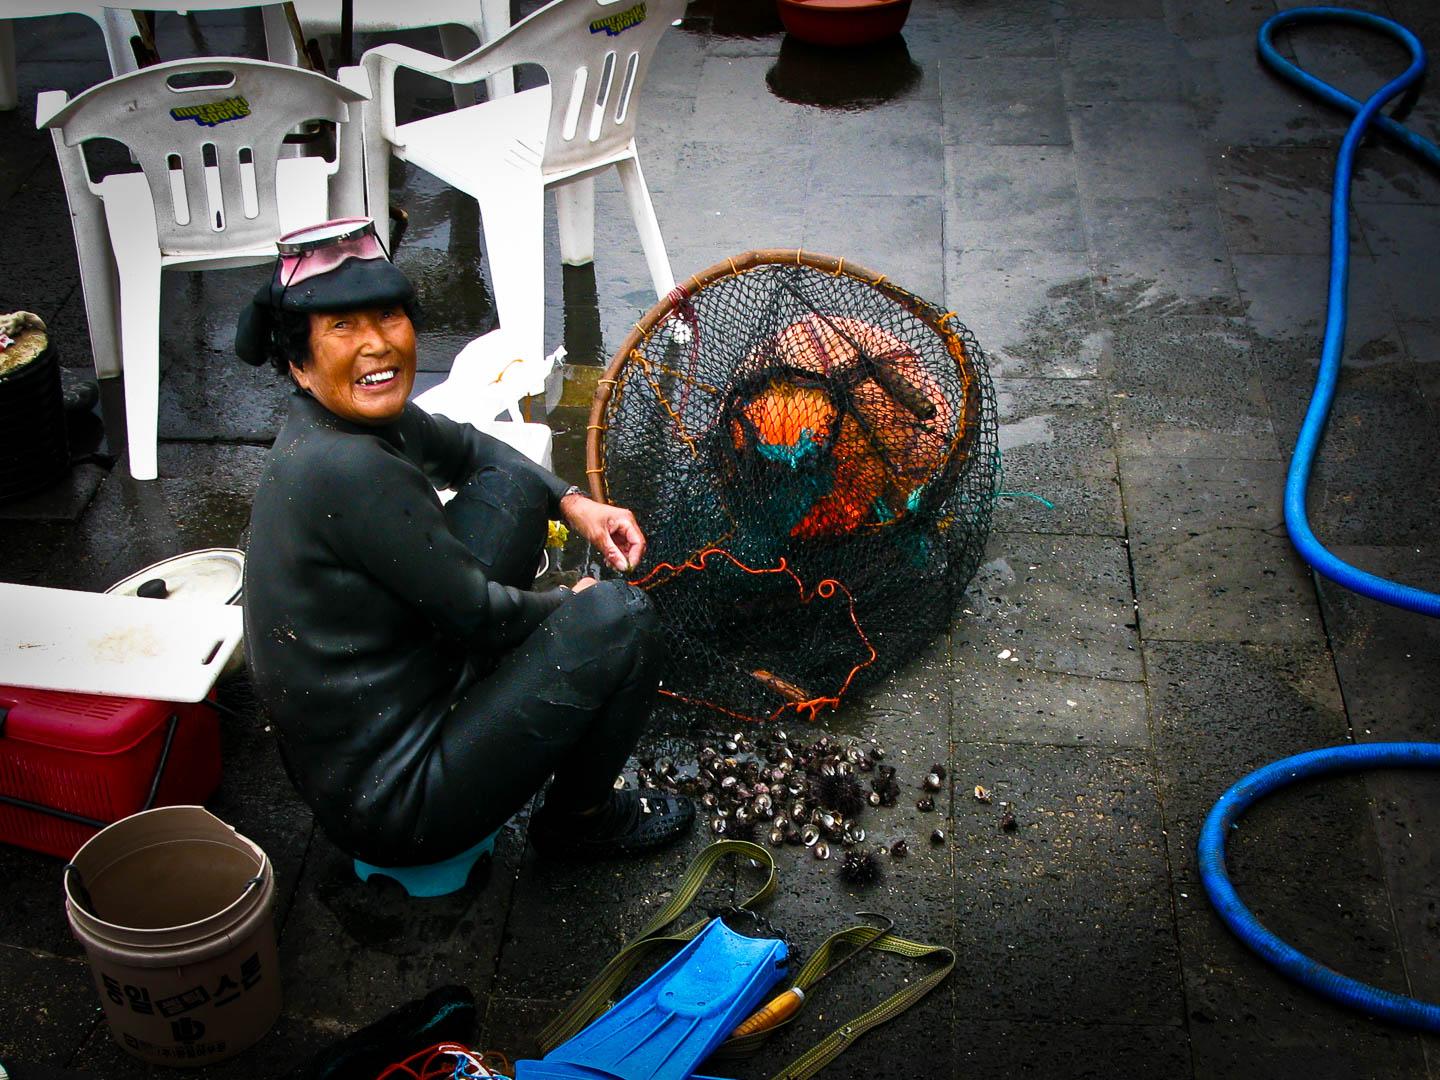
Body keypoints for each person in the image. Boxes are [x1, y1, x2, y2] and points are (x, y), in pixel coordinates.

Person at [234, 217, 694, 867]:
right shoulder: (344, 467)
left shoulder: (354, 421)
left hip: (412, 686)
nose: (376, 345)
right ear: (298, 365)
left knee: (512, 483)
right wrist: (574, 602)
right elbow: (478, 612)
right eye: (342, 328)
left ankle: (498, 687)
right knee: (623, 618)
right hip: (396, 800)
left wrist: (574, 500)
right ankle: (580, 820)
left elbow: (473, 450)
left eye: (388, 316)